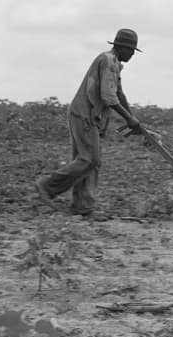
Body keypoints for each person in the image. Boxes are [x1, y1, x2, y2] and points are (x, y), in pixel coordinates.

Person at [34, 28, 143, 218]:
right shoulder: (108, 61)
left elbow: (119, 94)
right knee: (89, 159)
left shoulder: (115, 64)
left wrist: (132, 118)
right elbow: (108, 97)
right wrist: (129, 119)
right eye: (131, 50)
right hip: (84, 113)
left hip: (90, 115)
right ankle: (47, 186)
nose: (133, 54)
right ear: (121, 48)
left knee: (91, 161)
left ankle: (82, 207)